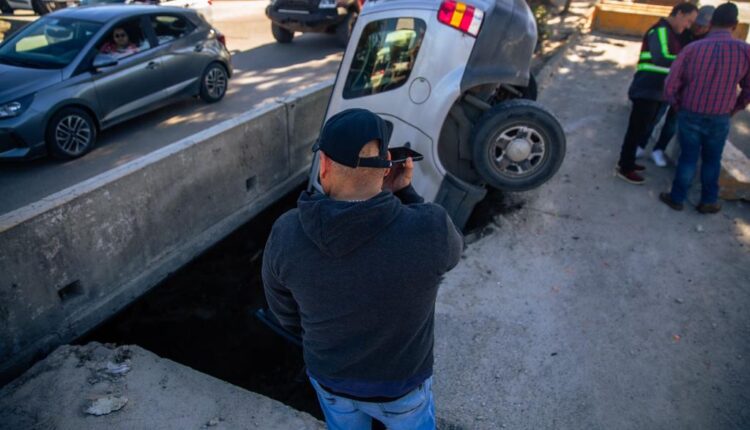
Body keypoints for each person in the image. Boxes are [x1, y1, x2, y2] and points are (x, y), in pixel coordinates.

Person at [262, 108, 463, 430]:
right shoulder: (432, 229)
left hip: (331, 379)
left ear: (324, 164)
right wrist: (406, 193)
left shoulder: (286, 233)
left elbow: (285, 313)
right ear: (387, 166)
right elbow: (453, 254)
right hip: (402, 385)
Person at [660, 2, 750, 214]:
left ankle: (677, 198)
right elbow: (748, 88)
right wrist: (735, 108)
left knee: (688, 157)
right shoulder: (745, 51)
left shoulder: (692, 49)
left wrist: (677, 106)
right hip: (721, 116)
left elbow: (671, 84)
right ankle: (708, 200)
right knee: (712, 159)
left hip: (690, 113)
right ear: (735, 25)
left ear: (710, 23)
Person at [615, 2, 698, 184]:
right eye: (688, 21)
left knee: (641, 129)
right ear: (679, 13)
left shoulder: (674, 33)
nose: (688, 26)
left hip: (657, 92)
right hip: (647, 89)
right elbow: (661, 57)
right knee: (636, 130)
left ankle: (627, 162)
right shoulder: (660, 30)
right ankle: (625, 167)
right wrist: (690, 59)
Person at [637, 5, 715, 168]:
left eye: (703, 26)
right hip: (669, 83)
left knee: (673, 122)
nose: (698, 28)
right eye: (696, 24)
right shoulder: (681, 32)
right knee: (655, 116)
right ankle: (641, 144)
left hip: (688, 87)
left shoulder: (709, 41)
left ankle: (659, 150)